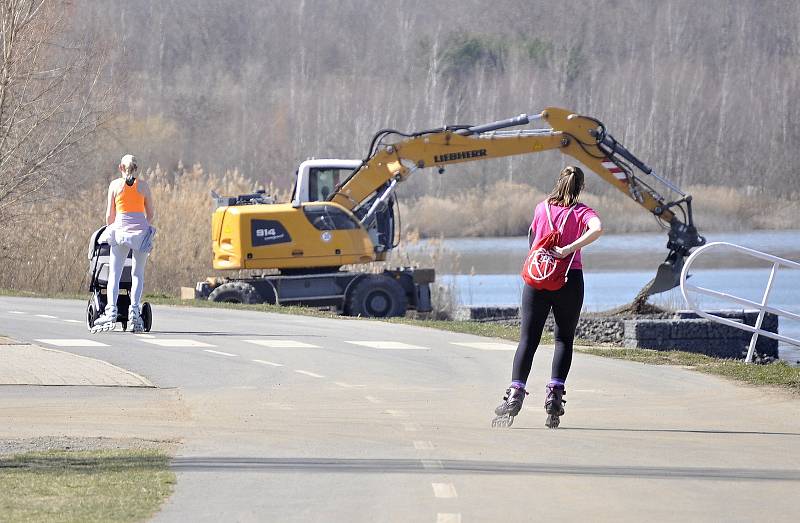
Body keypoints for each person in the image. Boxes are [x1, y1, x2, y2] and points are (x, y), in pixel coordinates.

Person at [493, 165, 603, 428]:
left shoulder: (541, 208)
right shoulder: (582, 212)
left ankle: (515, 394)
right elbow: (597, 229)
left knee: (528, 339)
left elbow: (532, 238)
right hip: (569, 278)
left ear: (558, 183)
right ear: (581, 188)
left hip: (538, 278)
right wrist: (568, 249)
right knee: (563, 338)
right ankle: (554, 396)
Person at [91, 154, 156, 333]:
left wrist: (112, 228)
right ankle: (134, 311)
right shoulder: (144, 187)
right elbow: (150, 214)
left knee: (115, 272)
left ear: (121, 167)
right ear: (137, 168)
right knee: (137, 273)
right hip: (140, 232)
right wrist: (142, 226)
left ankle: (111, 311)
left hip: (120, 230)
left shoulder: (114, 186)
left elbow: (109, 215)